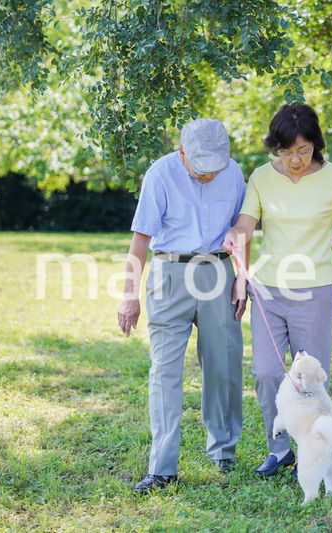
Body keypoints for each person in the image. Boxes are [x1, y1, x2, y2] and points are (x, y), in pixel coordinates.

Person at [223, 103, 332, 478]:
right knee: (265, 373)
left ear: (316, 145)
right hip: (269, 292)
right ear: (276, 148)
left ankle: (315, 450)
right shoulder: (261, 177)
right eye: (287, 152)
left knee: (310, 381)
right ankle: (280, 451)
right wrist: (235, 237)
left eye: (303, 151)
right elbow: (246, 223)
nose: (295, 160)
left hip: (315, 291)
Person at [117, 118, 248, 493]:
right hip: (170, 273)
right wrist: (130, 293)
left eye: (215, 166)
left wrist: (242, 276)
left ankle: (224, 452)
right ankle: (162, 467)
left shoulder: (233, 172)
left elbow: (242, 230)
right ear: (181, 153)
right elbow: (140, 240)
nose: (209, 174)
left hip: (218, 275)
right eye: (200, 165)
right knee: (165, 372)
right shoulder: (160, 174)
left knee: (223, 365)